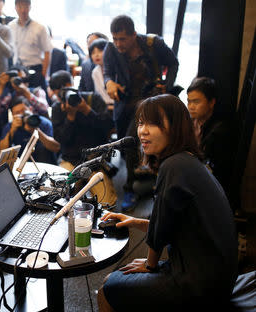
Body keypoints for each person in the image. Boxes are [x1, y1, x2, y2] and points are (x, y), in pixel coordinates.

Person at [97, 94, 238, 312]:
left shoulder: (173, 165)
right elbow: (174, 224)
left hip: (198, 284)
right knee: (112, 281)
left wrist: (150, 264)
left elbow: (161, 231)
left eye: (153, 123)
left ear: (175, 127)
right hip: (212, 276)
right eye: (141, 122)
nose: (142, 130)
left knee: (106, 290)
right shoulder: (187, 160)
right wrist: (134, 221)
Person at [103, 15, 178, 210]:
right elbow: (107, 73)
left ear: (134, 35)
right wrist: (109, 82)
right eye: (115, 38)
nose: (118, 43)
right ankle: (143, 180)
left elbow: (173, 63)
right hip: (125, 103)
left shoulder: (154, 44)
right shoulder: (111, 49)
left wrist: (166, 86)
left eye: (123, 39)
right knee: (126, 146)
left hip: (149, 101)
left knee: (130, 141)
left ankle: (131, 188)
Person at [50, 70, 117, 206]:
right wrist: (70, 117)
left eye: (64, 88)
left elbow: (108, 128)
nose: (63, 95)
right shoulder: (58, 108)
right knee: (59, 198)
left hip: (95, 161)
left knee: (106, 204)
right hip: (71, 160)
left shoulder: (93, 99)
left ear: (71, 84)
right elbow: (61, 140)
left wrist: (87, 110)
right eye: (58, 92)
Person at [187, 77, 236, 196]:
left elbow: (216, 170)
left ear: (211, 102)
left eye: (196, 102)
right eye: (189, 101)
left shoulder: (218, 131)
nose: (191, 106)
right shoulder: (190, 122)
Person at [0, 65, 49, 143]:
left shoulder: (37, 91)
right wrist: (1, 86)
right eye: (17, 80)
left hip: (38, 128)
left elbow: (44, 108)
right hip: (18, 129)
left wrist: (26, 92)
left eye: (23, 79)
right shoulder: (10, 96)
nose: (19, 82)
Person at [0, 96, 59, 164]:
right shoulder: (10, 126)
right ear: (13, 115)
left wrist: (36, 131)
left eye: (23, 111)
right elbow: (2, 151)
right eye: (17, 113)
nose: (22, 114)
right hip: (23, 165)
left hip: (45, 164)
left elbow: (56, 148)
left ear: (30, 109)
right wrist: (12, 131)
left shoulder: (43, 123)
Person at [9, 0, 52, 90]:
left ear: (30, 7)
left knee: (38, 100)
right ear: (15, 7)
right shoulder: (10, 26)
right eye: (20, 6)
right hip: (18, 69)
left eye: (26, 6)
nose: (23, 10)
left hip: (35, 69)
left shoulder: (40, 27)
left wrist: (43, 75)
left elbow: (47, 51)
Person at [88, 38, 114, 110]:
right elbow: (99, 94)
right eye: (93, 52)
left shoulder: (115, 68)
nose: (96, 55)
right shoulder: (95, 72)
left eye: (100, 51)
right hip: (104, 107)